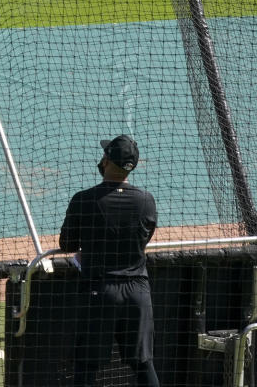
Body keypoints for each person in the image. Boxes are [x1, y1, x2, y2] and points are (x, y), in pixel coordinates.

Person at [59, 134, 159, 387]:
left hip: (100, 292)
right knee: (143, 363)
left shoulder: (83, 199)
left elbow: (67, 244)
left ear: (106, 160)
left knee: (86, 366)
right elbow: (142, 239)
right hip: (138, 292)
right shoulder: (146, 200)